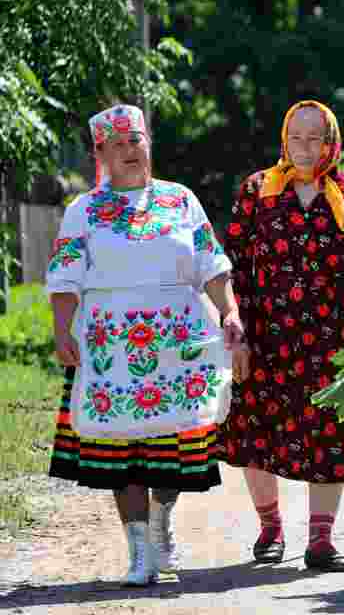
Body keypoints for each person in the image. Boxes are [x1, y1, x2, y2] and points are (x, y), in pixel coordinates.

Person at [47, 103, 243, 586]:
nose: (129, 150)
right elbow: (65, 276)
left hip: (179, 340)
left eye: (135, 140)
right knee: (123, 451)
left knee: (172, 445)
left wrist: (230, 311)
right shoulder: (83, 211)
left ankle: (160, 524)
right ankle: (139, 552)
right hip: (111, 343)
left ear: (148, 143)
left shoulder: (180, 200)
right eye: (117, 144)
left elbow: (211, 263)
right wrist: (62, 329)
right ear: (100, 154)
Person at [216, 100, 344, 572]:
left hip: (334, 336)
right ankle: (270, 528)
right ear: (284, 139)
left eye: (315, 138)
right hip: (266, 334)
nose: (305, 147)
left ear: (331, 141)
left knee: (331, 432)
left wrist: (334, 293)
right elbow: (233, 260)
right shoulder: (258, 190)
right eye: (296, 137)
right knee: (257, 429)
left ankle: (321, 540)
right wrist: (238, 326)